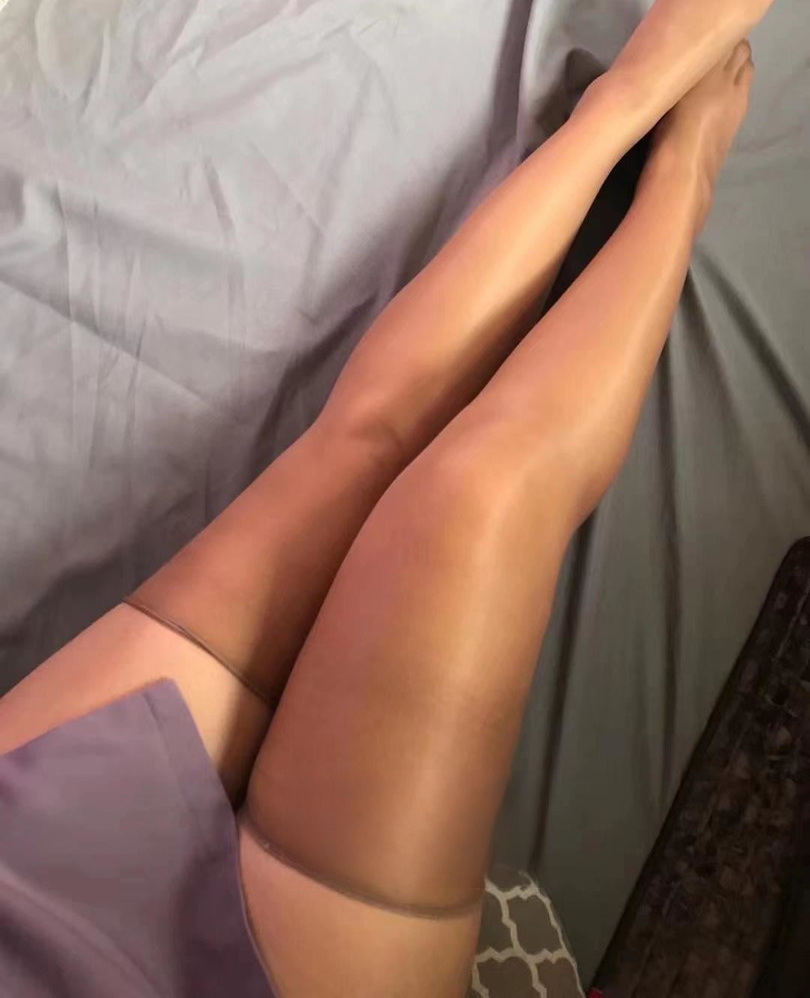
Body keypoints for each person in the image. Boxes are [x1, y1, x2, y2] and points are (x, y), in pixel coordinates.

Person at [0, 0, 774, 994]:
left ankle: (626, 102)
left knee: (360, 447)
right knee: (484, 493)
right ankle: (683, 173)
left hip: (33, 880)